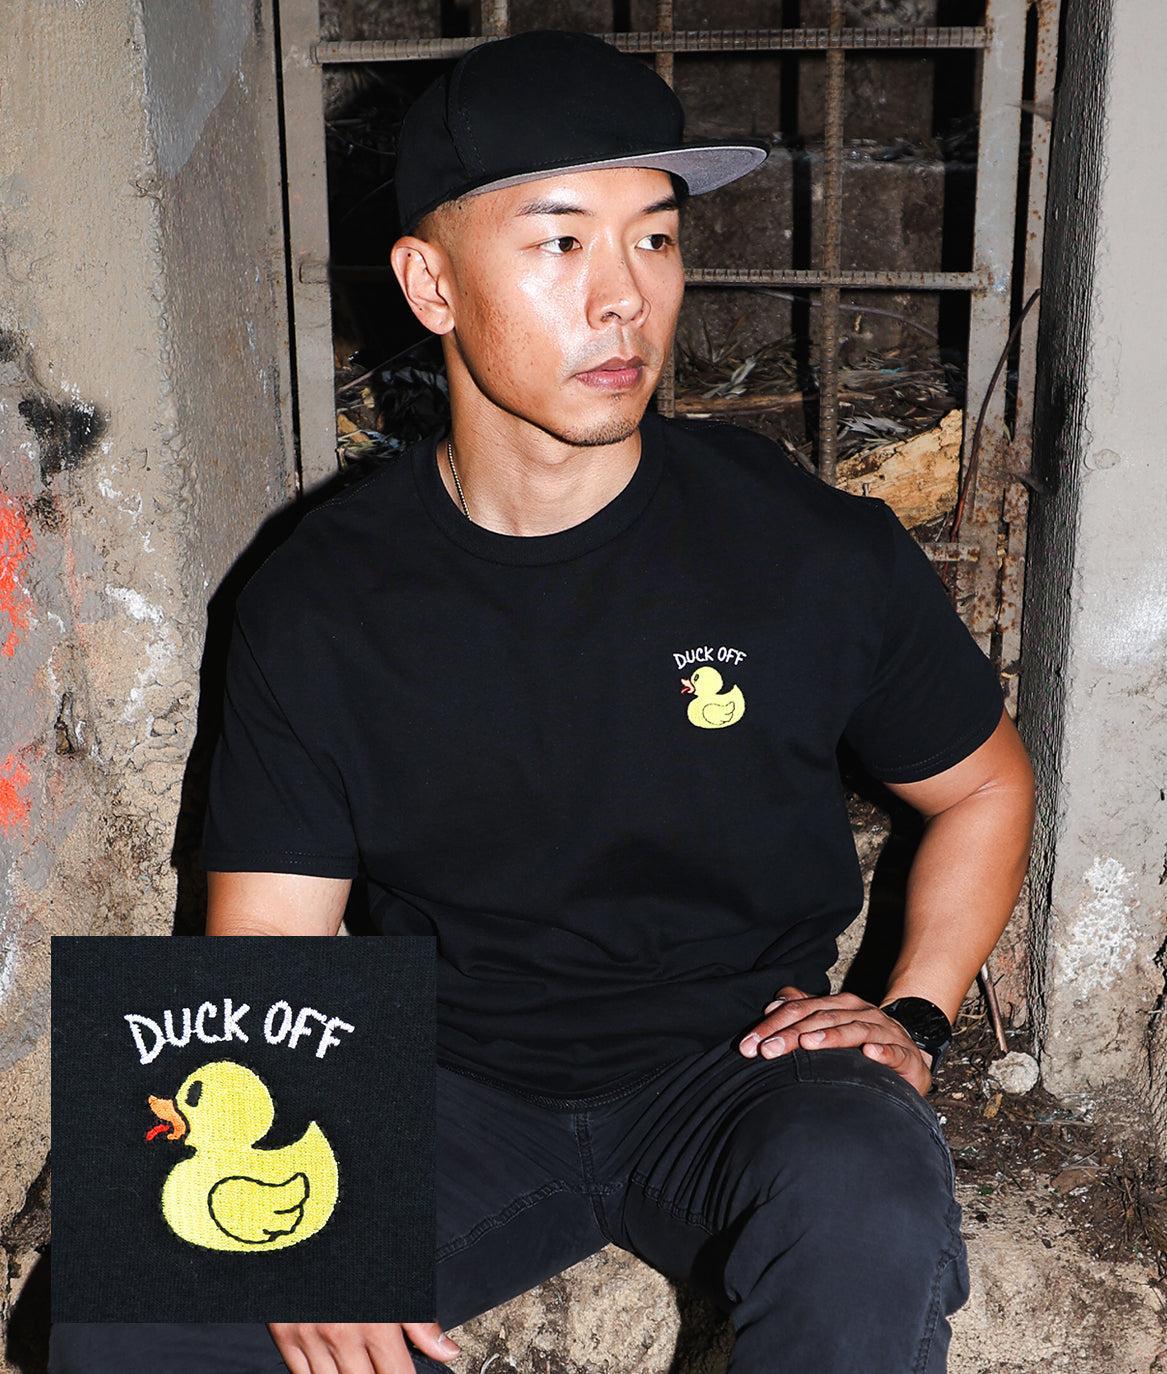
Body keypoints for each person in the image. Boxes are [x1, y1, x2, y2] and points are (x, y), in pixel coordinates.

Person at [48, 27, 1036, 1374]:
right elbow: (271, 936)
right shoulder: (321, 595)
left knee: (866, 1187)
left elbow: (984, 781)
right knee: (124, 1302)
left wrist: (913, 1008)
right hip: (442, 1083)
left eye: (656, 238)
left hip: (738, 1067)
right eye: (562, 241)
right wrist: (300, 1212)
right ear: (431, 284)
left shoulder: (803, 547)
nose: (624, 297)